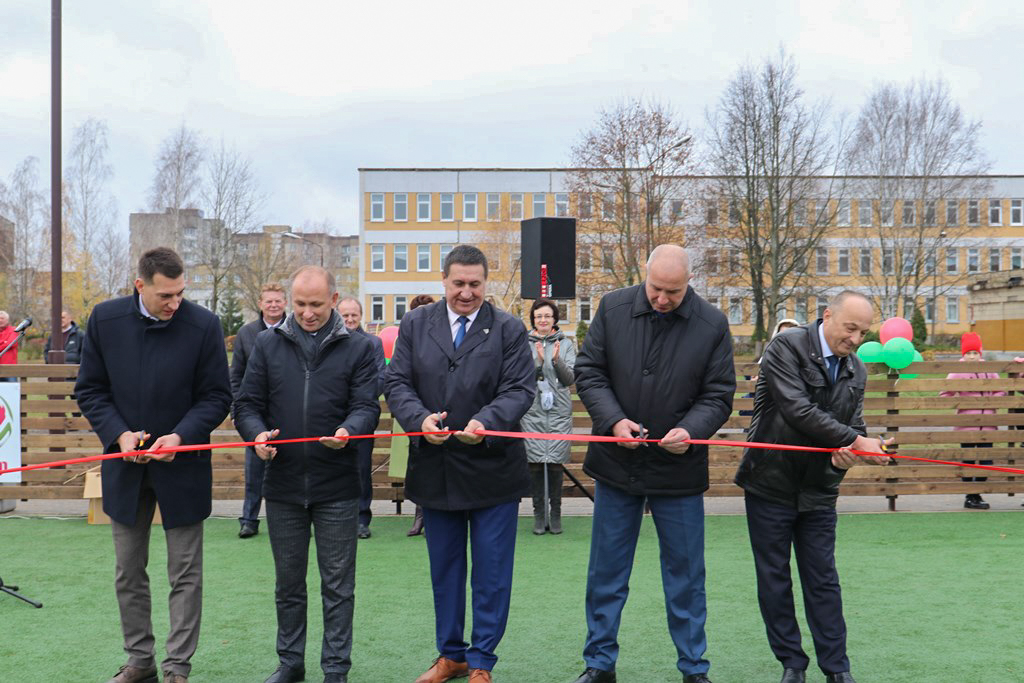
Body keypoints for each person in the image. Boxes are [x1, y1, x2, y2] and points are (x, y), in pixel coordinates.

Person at [570, 244, 734, 683]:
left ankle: (693, 668)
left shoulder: (713, 325)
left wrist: (691, 430)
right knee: (606, 571)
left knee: (686, 575)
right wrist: (612, 420)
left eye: (673, 292)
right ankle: (599, 664)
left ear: (688, 284)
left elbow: (719, 395)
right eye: (656, 289)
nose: (662, 299)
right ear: (645, 276)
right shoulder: (613, 307)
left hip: (678, 470)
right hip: (615, 464)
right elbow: (589, 371)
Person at [74, 247, 232, 683]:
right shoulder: (105, 321)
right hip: (124, 467)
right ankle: (139, 662)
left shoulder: (204, 325)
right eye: (166, 295)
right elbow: (90, 390)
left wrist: (180, 436)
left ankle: (177, 667)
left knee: (185, 573)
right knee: (128, 571)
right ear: (140, 285)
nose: (175, 303)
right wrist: (119, 434)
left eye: (181, 293)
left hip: (183, 466)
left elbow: (217, 396)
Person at [384, 244, 535, 683]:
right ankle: (450, 655)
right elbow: (396, 382)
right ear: (444, 281)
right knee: (445, 570)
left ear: (485, 284)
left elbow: (519, 389)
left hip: (493, 470)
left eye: (474, 284)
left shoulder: (508, 328)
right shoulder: (415, 323)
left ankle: (482, 660)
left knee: (491, 573)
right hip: (437, 468)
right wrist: (418, 419)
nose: (466, 293)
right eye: (458, 284)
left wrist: (486, 420)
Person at [734, 290, 890, 683]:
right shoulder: (786, 346)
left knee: (823, 578)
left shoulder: (857, 369)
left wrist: (851, 451)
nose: (855, 339)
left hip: (819, 488)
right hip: (769, 481)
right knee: (774, 578)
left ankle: (837, 668)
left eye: (863, 332)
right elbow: (797, 410)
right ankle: (792, 663)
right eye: (850, 328)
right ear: (826, 316)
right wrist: (853, 441)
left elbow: (854, 427)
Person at [234, 266, 381, 683]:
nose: (307, 313)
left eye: (316, 304)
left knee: (338, 587)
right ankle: (291, 663)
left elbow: (367, 406)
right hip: (281, 485)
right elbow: (245, 404)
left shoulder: (359, 348)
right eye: (300, 304)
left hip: (337, 485)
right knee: (288, 585)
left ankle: (335, 669)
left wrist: (349, 431)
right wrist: (256, 435)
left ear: (335, 300)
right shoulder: (266, 343)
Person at [231, 284, 287, 538]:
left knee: (290, 469)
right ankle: (249, 520)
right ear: (260, 303)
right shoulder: (246, 333)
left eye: (278, 301)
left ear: (285, 303)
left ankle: (290, 521)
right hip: (255, 413)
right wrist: (238, 410)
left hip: (287, 411)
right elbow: (236, 376)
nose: (273, 305)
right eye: (269, 301)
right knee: (254, 471)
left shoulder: (295, 330)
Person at [521, 297, 576, 535]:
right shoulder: (524, 342)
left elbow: (570, 379)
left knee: (555, 462)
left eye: (547, 316)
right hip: (532, 412)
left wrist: (555, 360)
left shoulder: (566, 343)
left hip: (558, 412)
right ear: (533, 320)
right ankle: (538, 514)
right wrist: (538, 361)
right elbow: (520, 376)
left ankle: (555, 514)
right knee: (534, 462)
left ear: (554, 319)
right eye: (538, 316)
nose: (543, 320)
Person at [336, 296, 386, 539]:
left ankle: (361, 518)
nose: (350, 319)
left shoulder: (373, 343)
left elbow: (380, 378)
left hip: (363, 417)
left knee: (361, 469)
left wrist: (356, 396)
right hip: (333, 417)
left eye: (354, 315)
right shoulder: (331, 342)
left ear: (361, 315)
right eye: (345, 315)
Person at [940, 332, 1003, 510]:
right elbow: (945, 393)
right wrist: (960, 402)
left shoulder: (988, 370)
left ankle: (976, 493)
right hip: (966, 425)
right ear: (963, 354)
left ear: (980, 353)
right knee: (968, 460)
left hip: (988, 425)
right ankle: (971, 495)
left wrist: (993, 401)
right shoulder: (957, 372)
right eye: (969, 353)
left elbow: (1001, 390)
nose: (972, 356)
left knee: (986, 461)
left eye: (975, 353)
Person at [404, 293, 436, 537]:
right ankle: (419, 514)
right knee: (418, 461)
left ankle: (432, 513)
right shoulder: (410, 338)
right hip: (417, 411)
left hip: (441, 409)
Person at [0, 310, 19, 376]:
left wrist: (4, 343)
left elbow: (12, 343)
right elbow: (7, 344)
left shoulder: (14, 330)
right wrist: (4, 341)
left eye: (2, 318)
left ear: (7, 320)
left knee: (12, 385)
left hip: (10, 367)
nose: (0, 320)